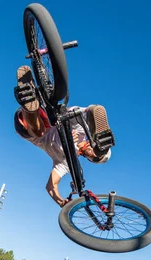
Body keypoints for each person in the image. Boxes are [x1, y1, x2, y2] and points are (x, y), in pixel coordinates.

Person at [13, 65, 114, 207]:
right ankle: (33, 90)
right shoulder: (82, 131)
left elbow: (51, 186)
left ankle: (29, 104)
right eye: (96, 150)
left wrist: (61, 202)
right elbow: (78, 114)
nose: (92, 152)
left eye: (96, 156)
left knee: (40, 131)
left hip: (26, 126)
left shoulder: (68, 163)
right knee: (75, 116)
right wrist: (91, 114)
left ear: (91, 159)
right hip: (47, 114)